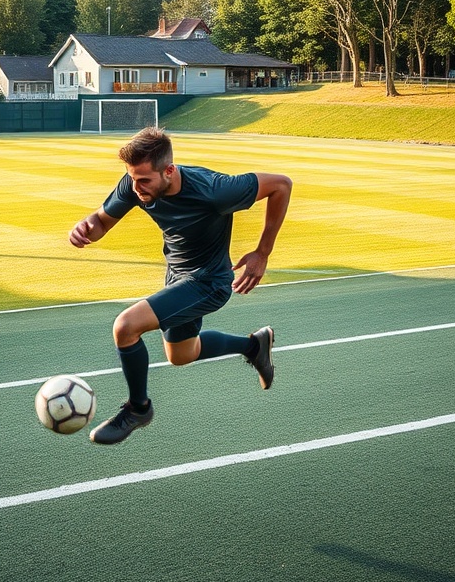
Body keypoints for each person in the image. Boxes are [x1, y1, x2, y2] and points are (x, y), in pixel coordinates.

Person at [68, 127, 292, 445]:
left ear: (169, 170)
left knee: (125, 327)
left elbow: (281, 185)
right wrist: (85, 228)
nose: (136, 187)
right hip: (177, 276)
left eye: (144, 180)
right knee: (182, 355)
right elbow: (102, 222)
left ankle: (138, 409)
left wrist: (262, 252)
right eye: (132, 178)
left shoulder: (215, 190)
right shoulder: (135, 184)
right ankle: (254, 346)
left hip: (209, 281)